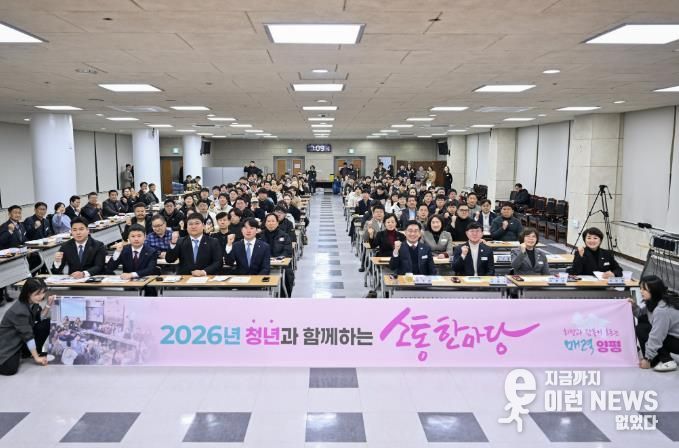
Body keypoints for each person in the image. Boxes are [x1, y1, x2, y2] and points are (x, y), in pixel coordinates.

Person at [0, 278, 53, 375]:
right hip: (8, 343)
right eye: (37, 294)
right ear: (28, 294)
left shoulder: (33, 303)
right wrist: (37, 358)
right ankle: (29, 353)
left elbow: (39, 317)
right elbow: (28, 336)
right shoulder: (19, 310)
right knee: (10, 369)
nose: (41, 296)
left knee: (46, 323)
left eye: (43, 292)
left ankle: (28, 352)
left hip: (20, 339)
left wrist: (48, 305)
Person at [631, 275, 679, 372]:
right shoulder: (653, 302)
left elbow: (656, 336)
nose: (641, 291)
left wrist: (647, 358)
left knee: (643, 329)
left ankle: (667, 361)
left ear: (654, 290)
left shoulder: (661, 310)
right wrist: (633, 306)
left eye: (645, 289)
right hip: (673, 338)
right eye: (640, 288)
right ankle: (656, 359)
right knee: (643, 321)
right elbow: (640, 314)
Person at [260, 213, 294, 296]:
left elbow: (287, 252)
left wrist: (277, 260)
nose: (271, 223)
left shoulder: (285, 236)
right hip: (263, 265)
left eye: (273, 221)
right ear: (265, 223)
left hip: (281, 265)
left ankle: (283, 297)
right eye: (268, 221)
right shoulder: (259, 236)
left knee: (287, 276)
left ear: (277, 223)